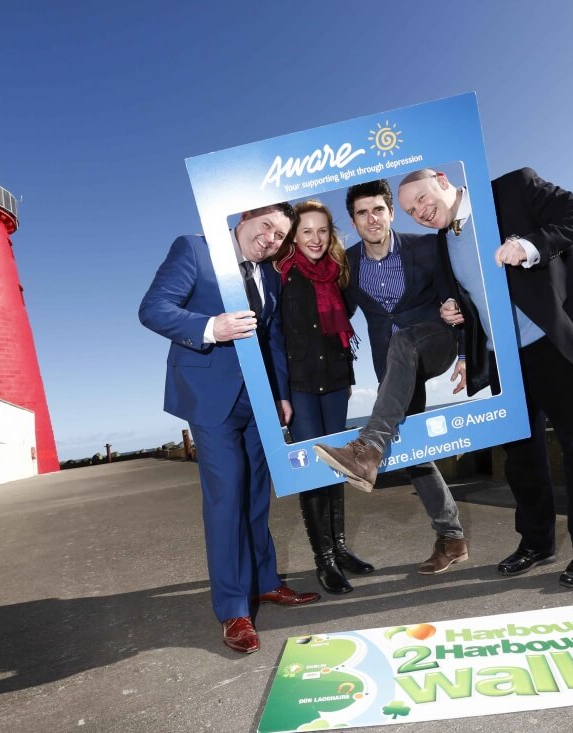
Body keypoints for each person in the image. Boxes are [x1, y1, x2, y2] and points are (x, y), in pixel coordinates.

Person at [395, 166, 573, 588]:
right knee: (521, 458)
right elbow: (465, 296)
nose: (419, 212)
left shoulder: (513, 189)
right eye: (409, 210)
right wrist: (451, 310)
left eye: (422, 199)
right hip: (502, 358)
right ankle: (536, 543)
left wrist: (529, 244)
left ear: (443, 181)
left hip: (552, 341)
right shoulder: (443, 242)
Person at [139, 203, 320, 655]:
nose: (271, 239)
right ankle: (233, 609)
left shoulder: (271, 275)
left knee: (258, 495)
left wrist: (279, 395)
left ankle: (265, 583)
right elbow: (153, 309)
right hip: (209, 396)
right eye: (266, 227)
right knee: (226, 499)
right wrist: (209, 327)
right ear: (242, 219)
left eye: (280, 235)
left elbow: (272, 337)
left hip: (258, 400)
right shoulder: (194, 250)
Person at [314, 179, 469, 575]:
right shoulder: (347, 266)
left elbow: (456, 294)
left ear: (390, 213)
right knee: (416, 452)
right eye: (362, 213)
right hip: (394, 370)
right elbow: (336, 320)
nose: (371, 219)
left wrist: (466, 349)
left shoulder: (425, 246)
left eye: (378, 210)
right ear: (354, 220)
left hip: (434, 341)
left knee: (406, 343)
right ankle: (451, 538)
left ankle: (366, 449)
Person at [274, 200, 373, 595]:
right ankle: (324, 560)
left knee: (337, 465)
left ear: (330, 234)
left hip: (334, 381)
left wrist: (347, 376)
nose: (315, 239)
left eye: (322, 231)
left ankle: (341, 548)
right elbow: (274, 338)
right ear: (293, 237)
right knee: (314, 471)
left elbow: (342, 331)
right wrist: (281, 394)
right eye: (306, 232)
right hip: (299, 385)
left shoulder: (338, 274)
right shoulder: (280, 274)